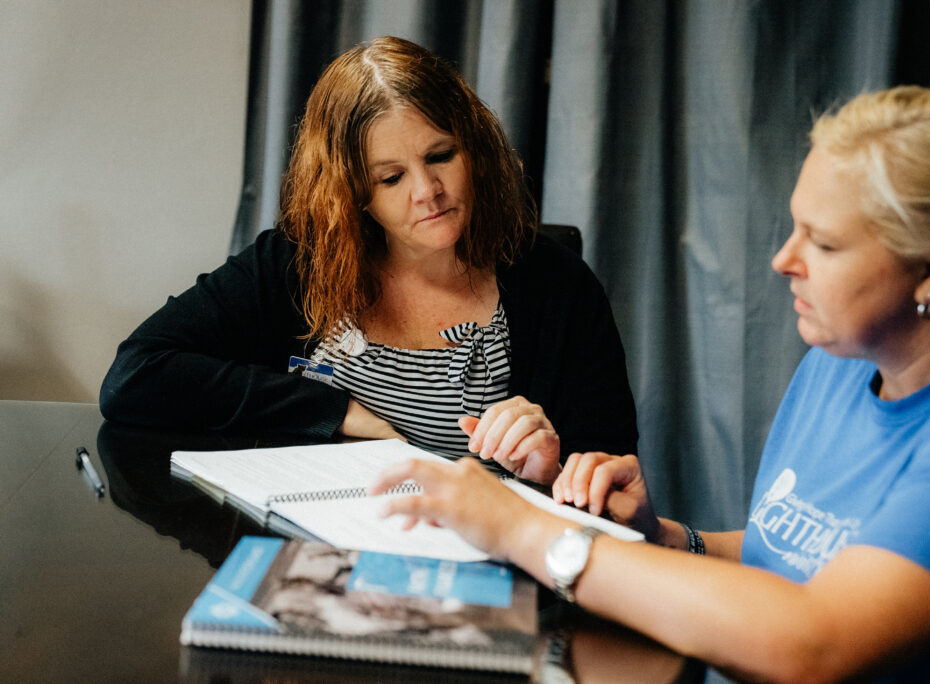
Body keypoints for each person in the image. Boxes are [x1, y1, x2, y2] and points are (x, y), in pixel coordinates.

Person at [370, 84, 930, 682]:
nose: (783, 260)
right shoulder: (846, 354)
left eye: (823, 245)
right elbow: (792, 559)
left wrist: (519, 528)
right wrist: (667, 539)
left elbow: (818, 640)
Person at [99, 36, 637, 485]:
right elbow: (134, 375)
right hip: (318, 551)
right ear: (353, 192)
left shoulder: (558, 286)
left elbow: (613, 492)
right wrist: (338, 414)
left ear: (473, 148)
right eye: (391, 177)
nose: (427, 190)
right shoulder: (300, 261)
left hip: (484, 569)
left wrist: (548, 470)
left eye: (440, 155)